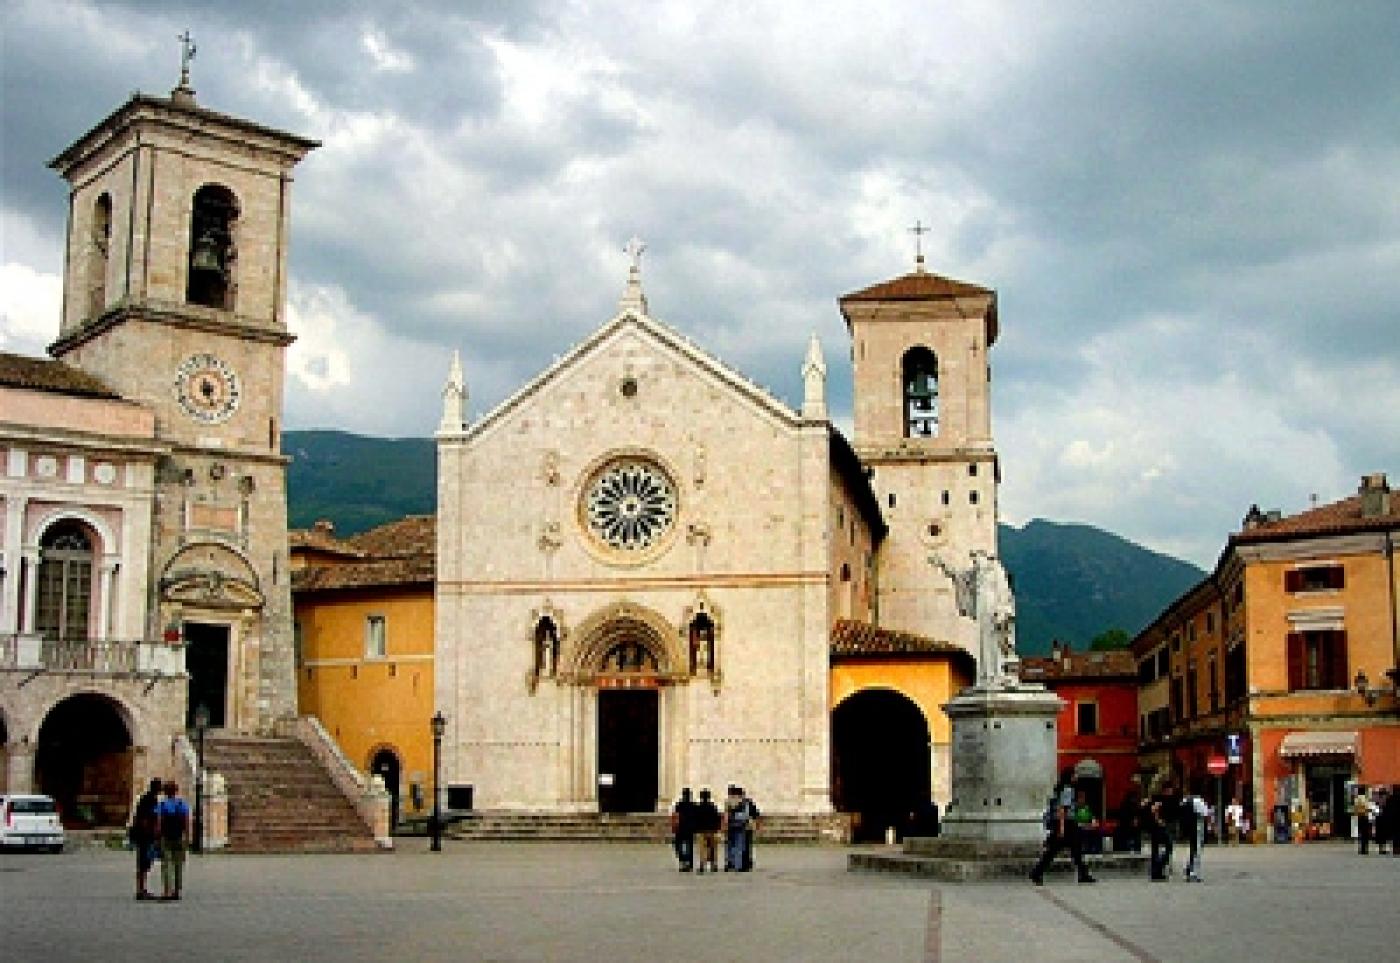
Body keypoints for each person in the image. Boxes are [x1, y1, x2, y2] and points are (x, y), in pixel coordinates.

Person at [1029, 770, 1096, 885]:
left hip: (1065, 823)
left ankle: (1083, 873)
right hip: (1067, 823)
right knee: (1058, 850)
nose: (1076, 777)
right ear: (1070, 777)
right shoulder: (1068, 790)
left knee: (1074, 849)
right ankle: (1037, 872)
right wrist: (1062, 828)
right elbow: (1062, 810)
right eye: (1074, 775)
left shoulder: (1061, 790)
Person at [156, 781, 191, 901]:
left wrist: (158, 835)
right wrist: (187, 836)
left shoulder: (162, 804)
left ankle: (167, 890)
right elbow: (186, 822)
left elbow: (159, 822)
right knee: (178, 865)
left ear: (165, 792)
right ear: (176, 791)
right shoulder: (182, 804)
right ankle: (177, 890)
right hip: (179, 837)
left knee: (167, 864)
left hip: (166, 837)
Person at [129, 777, 163, 900]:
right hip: (145, 835)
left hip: (142, 834)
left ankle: (141, 888)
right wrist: (153, 833)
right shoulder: (150, 800)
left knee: (143, 863)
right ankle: (141, 890)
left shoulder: (145, 798)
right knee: (144, 863)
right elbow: (146, 818)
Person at [1146, 782, 1179, 881]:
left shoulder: (1170, 800)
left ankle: (1158, 870)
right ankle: (1157, 870)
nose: (1171, 792)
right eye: (1169, 790)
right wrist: (1158, 820)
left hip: (1163, 826)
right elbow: (1153, 809)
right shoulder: (1159, 799)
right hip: (1159, 828)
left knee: (1163, 849)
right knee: (1163, 848)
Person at [1182, 789, 1210, 882]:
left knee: (1192, 848)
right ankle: (1193, 873)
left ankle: (1189, 869)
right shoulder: (1199, 802)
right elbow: (1205, 814)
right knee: (1197, 850)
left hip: (1189, 828)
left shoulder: (1185, 800)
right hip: (1197, 826)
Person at [694, 788, 721, 873]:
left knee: (702, 848)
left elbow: (696, 819)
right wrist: (717, 828)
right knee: (712, 848)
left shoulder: (698, 807)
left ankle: (702, 864)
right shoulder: (713, 807)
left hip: (701, 830)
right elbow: (717, 818)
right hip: (712, 830)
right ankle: (714, 865)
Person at [671, 788, 696, 871]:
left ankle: (683, 861)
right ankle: (689, 863)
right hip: (690, 828)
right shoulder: (693, 805)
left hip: (681, 828)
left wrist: (674, 827)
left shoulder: (679, 805)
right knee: (689, 845)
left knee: (679, 845)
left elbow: (675, 816)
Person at [738, 787, 761, 871]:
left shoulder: (747, 803)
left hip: (746, 827)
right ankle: (744, 862)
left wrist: (757, 825)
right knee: (743, 846)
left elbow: (756, 815)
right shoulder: (739, 804)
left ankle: (746, 863)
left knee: (746, 846)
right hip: (741, 827)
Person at [1353, 788, 1373, 855]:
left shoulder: (1357, 799)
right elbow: (1369, 809)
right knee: (1365, 834)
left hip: (1359, 817)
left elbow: (1355, 810)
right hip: (1365, 817)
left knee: (1361, 834)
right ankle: (1365, 849)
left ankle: (1362, 849)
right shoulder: (1366, 799)